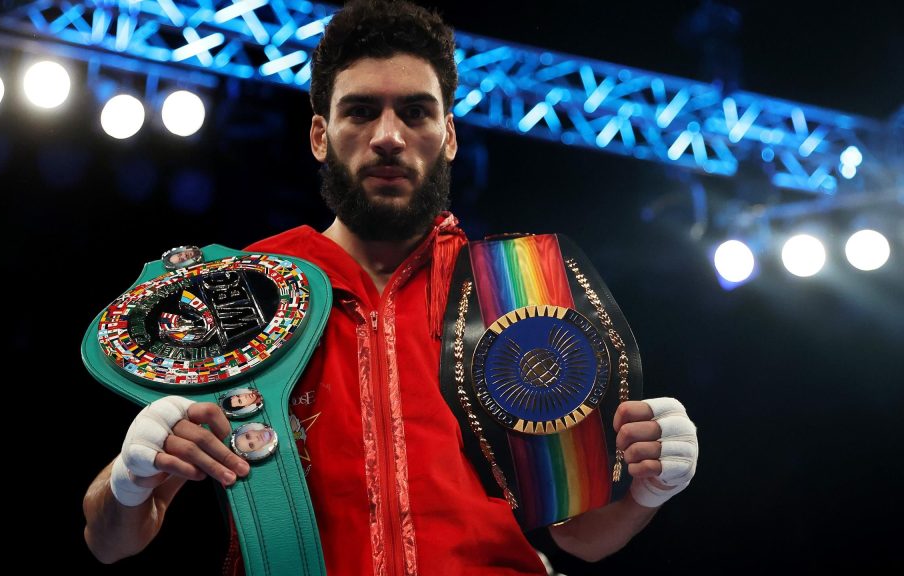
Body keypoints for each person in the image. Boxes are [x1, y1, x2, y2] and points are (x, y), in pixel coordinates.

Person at [82, 1, 699, 573]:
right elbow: (109, 540)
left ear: (449, 135)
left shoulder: (518, 288)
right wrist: (131, 479)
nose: (388, 136)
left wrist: (647, 488)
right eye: (360, 111)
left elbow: (581, 535)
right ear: (320, 135)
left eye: (415, 112)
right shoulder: (243, 292)